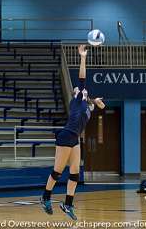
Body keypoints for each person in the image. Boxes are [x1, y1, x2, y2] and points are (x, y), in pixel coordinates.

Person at [40, 45, 105, 220]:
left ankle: (67, 204)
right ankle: (45, 197)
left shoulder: (86, 104)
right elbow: (82, 79)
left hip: (75, 138)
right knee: (57, 172)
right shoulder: (77, 101)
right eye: (78, 89)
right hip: (66, 135)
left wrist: (96, 102)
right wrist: (83, 57)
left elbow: (97, 105)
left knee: (75, 173)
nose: (79, 89)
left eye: (81, 90)